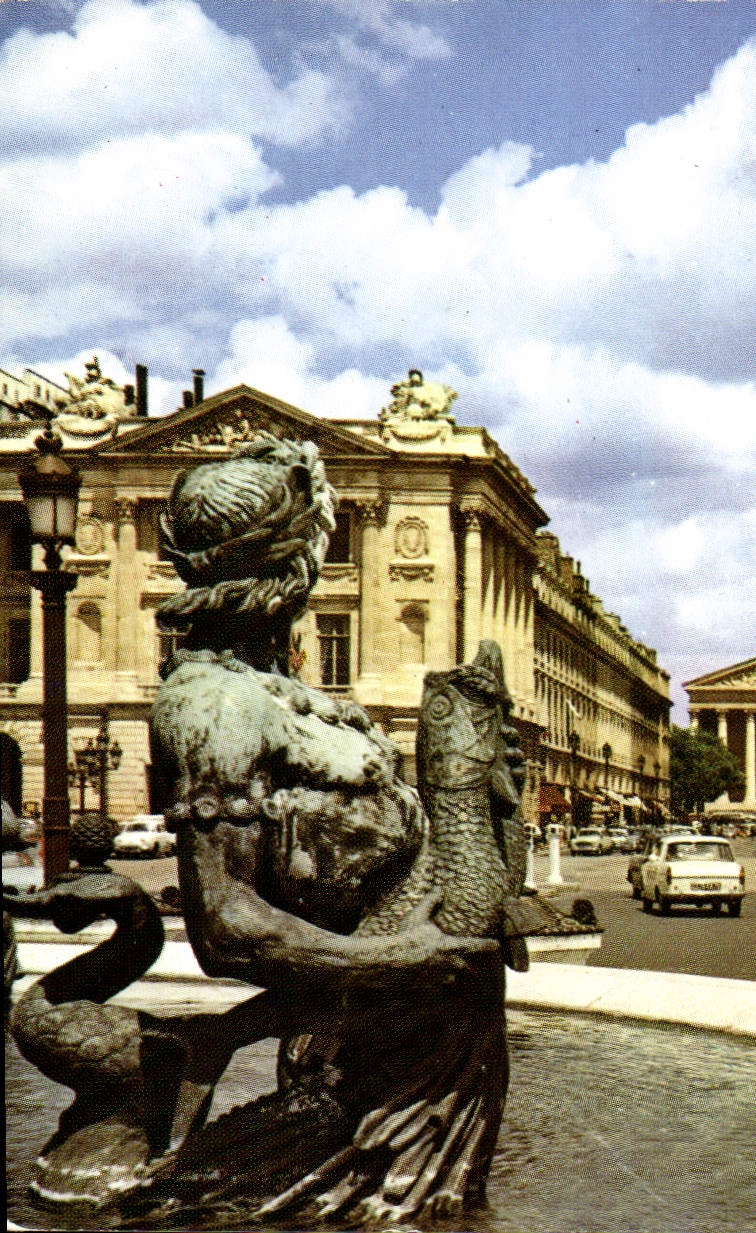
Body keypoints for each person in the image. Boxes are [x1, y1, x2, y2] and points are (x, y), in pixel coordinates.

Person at [142, 437, 504, 1226]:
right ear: (292, 566)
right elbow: (225, 925)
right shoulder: (216, 705)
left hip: (409, 1028)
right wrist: (398, 958)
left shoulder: (280, 691)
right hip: (362, 1053)